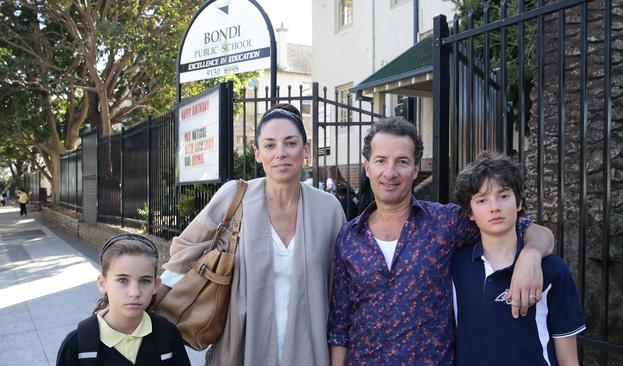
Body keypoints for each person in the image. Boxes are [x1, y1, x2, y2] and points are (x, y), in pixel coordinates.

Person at [328, 117, 555, 365]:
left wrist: (531, 254)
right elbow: (340, 325)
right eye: (381, 161)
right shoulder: (350, 237)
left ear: (415, 169)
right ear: (367, 167)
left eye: (402, 162)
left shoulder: (444, 223)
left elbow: (531, 229)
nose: (390, 172)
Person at [157, 104, 346, 366]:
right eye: (269, 145)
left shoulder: (329, 210)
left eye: (290, 143)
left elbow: (342, 289)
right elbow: (186, 254)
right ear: (257, 153)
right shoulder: (236, 197)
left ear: (307, 149)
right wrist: (139, 303)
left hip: (311, 351)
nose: (280, 153)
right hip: (242, 347)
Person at [452, 151, 585, 366]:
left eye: (504, 196)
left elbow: (569, 359)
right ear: (470, 213)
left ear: (519, 202)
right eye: (482, 200)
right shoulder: (456, 266)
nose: (495, 206)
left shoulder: (553, 270)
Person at [56, 234, 190, 365]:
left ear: (156, 285)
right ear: (103, 283)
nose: (135, 293)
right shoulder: (77, 346)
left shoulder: (168, 335)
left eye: (145, 281)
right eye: (122, 280)